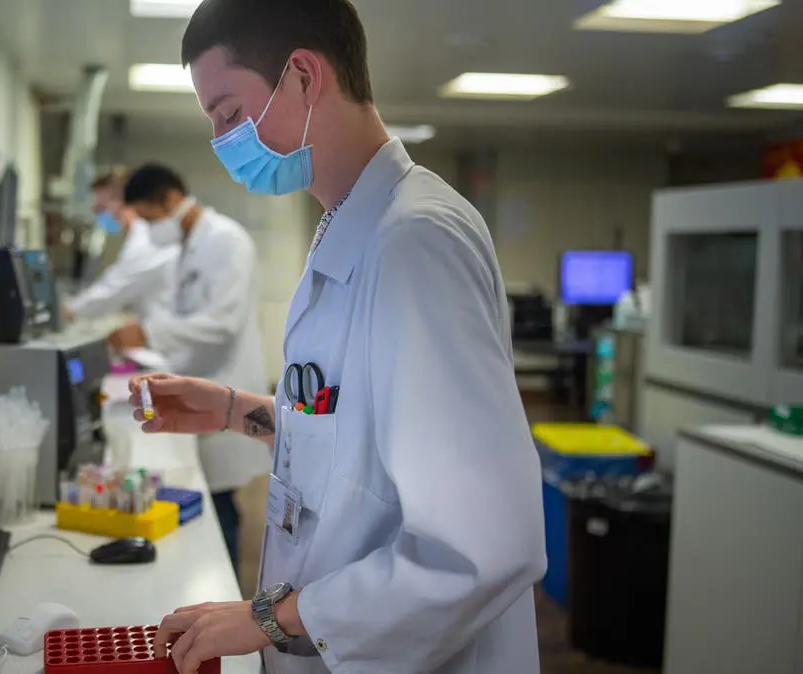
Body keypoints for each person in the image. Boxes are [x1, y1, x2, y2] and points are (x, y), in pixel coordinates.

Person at [126, 1, 546, 673]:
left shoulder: (414, 242)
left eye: (230, 115)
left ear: (302, 76)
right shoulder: (351, 229)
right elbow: (359, 449)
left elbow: (481, 547)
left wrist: (269, 618)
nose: (223, 141)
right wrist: (233, 409)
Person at [107, 163, 270, 569]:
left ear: (171, 199)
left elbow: (222, 322)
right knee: (209, 501)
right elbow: (185, 316)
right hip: (199, 385)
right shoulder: (188, 245)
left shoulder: (226, 240)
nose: (149, 229)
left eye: (149, 219)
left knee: (219, 505)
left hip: (224, 384)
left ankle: (225, 588)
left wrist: (149, 334)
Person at [63, 168, 178, 323]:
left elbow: (110, 291)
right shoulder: (143, 235)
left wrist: (68, 311)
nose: (97, 213)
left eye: (101, 207)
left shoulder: (146, 240)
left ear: (121, 201)